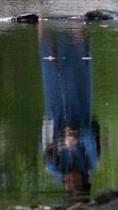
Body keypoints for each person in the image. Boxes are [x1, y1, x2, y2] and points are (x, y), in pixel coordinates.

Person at [39, 22, 101, 197]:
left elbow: (43, 139)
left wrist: (58, 138)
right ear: (83, 181)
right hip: (80, 108)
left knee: (47, 56)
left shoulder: (54, 166)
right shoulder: (90, 162)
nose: (71, 180)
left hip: (55, 108)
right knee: (78, 58)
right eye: (76, 183)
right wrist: (76, 137)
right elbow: (92, 135)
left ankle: (41, 15)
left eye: (69, 184)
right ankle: (75, 12)